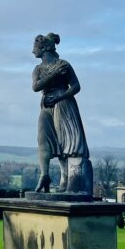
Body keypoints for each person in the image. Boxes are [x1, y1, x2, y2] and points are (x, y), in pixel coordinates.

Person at [32, 33, 92, 194]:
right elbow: (36, 87)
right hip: (46, 106)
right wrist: (55, 74)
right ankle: (44, 175)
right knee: (43, 138)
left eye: (35, 48)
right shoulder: (38, 69)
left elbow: (76, 86)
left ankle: (66, 180)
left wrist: (61, 95)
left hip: (64, 104)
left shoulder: (64, 64)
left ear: (44, 48)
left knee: (66, 142)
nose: (33, 52)